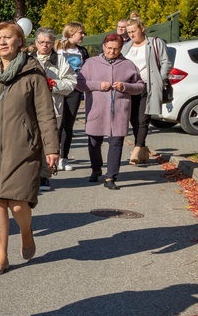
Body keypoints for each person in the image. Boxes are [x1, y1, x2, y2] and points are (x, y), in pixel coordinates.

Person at [0, 21, 59, 276]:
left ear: (20, 41)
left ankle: (26, 231)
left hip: (24, 146)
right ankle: (1, 256)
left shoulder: (33, 72)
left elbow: (45, 114)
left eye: (8, 37)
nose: (3, 42)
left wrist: (51, 148)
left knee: (19, 204)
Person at [77, 34, 144, 190]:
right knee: (94, 143)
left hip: (119, 111)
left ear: (121, 49)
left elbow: (140, 86)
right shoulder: (91, 63)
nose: (112, 52)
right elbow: (79, 84)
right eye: (109, 48)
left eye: (116, 49)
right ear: (103, 46)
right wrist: (98, 85)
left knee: (116, 143)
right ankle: (96, 169)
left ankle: (110, 177)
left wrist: (125, 87)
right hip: (97, 110)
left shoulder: (128, 65)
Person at [30, 27, 77, 192]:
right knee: (30, 142)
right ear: (36, 43)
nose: (45, 45)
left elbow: (72, 82)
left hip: (52, 107)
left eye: (49, 42)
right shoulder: (28, 60)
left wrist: (55, 85)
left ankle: (45, 175)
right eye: (42, 42)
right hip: (29, 108)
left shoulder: (60, 61)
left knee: (48, 142)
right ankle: (29, 176)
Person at [122, 18, 171, 165]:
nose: (131, 34)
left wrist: (159, 79)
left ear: (142, 28)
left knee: (143, 119)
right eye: (129, 32)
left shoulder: (155, 43)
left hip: (147, 86)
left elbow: (165, 62)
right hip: (130, 88)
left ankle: (137, 149)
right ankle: (143, 149)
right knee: (133, 119)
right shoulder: (126, 47)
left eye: (134, 31)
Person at [54, 22, 89, 172]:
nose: (83, 35)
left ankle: (64, 157)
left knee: (68, 125)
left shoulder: (82, 51)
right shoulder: (57, 49)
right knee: (56, 123)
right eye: (80, 32)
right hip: (57, 89)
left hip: (74, 90)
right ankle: (52, 155)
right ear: (71, 33)